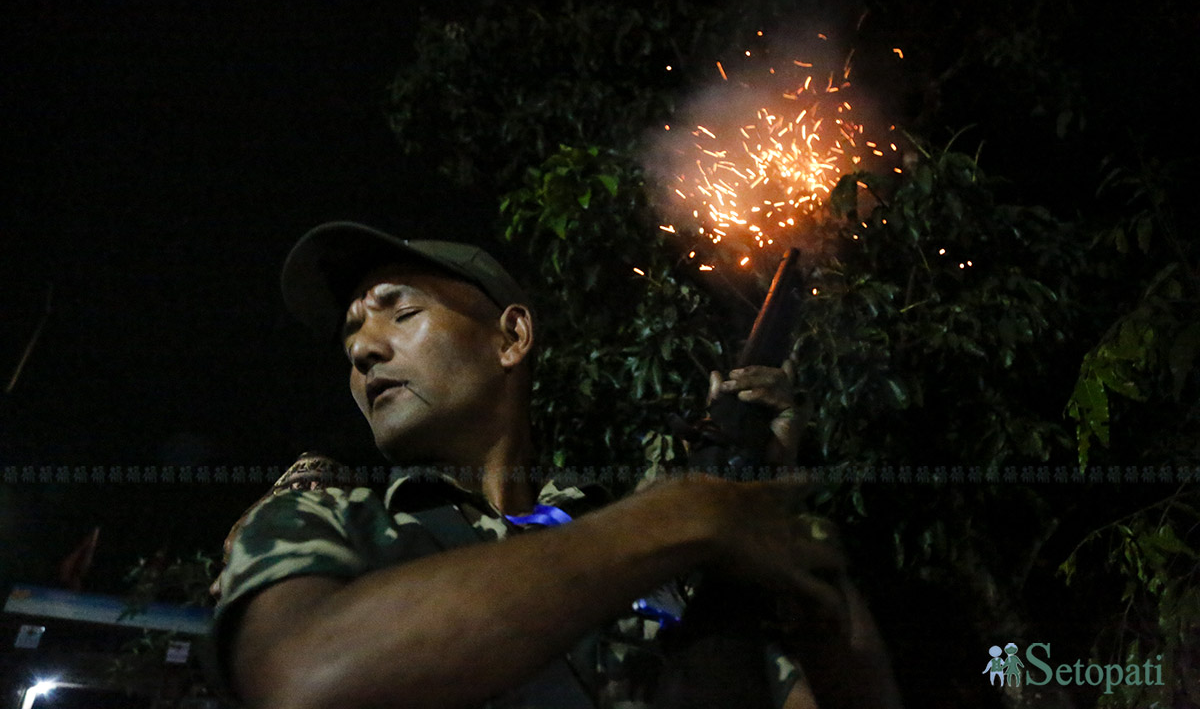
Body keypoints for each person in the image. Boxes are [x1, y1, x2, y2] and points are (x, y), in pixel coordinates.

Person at [211, 221, 901, 709]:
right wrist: (684, 513)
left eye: (400, 314)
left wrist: (761, 497)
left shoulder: (651, 546)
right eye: (352, 337)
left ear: (513, 337)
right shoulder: (322, 517)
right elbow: (302, 674)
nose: (363, 350)